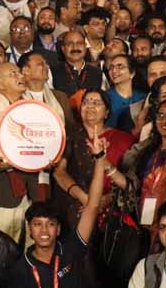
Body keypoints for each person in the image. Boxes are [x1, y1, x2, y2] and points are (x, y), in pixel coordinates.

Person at [0, 135, 106, 288]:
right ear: (30, 229)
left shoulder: (71, 249)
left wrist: (100, 159)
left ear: (58, 229)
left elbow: (93, 205)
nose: (44, 230)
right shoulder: (21, 267)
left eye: (50, 224)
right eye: (37, 224)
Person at [0, 62, 45, 243]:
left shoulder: (34, 108)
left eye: (20, 73)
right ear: (0, 84)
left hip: (33, 191)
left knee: (32, 248)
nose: (21, 76)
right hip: (1, 191)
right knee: (1, 248)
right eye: (13, 74)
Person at [54, 87, 134, 224]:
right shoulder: (69, 134)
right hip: (76, 205)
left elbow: (131, 183)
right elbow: (59, 173)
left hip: (112, 209)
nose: (90, 106)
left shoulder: (125, 140)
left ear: (107, 112)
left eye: (96, 103)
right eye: (85, 102)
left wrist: (105, 200)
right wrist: (86, 199)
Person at [115, 98, 166, 227]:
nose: (165, 121)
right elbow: (132, 187)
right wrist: (106, 165)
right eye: (160, 115)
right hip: (144, 222)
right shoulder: (146, 152)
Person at [52, 29, 106, 96]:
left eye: (79, 43)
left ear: (85, 47)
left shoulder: (98, 73)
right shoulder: (52, 72)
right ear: (63, 49)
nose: (75, 47)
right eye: (70, 43)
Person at [106, 53, 147, 133]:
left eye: (120, 67)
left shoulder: (143, 98)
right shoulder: (105, 97)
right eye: (111, 67)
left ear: (132, 73)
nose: (114, 71)